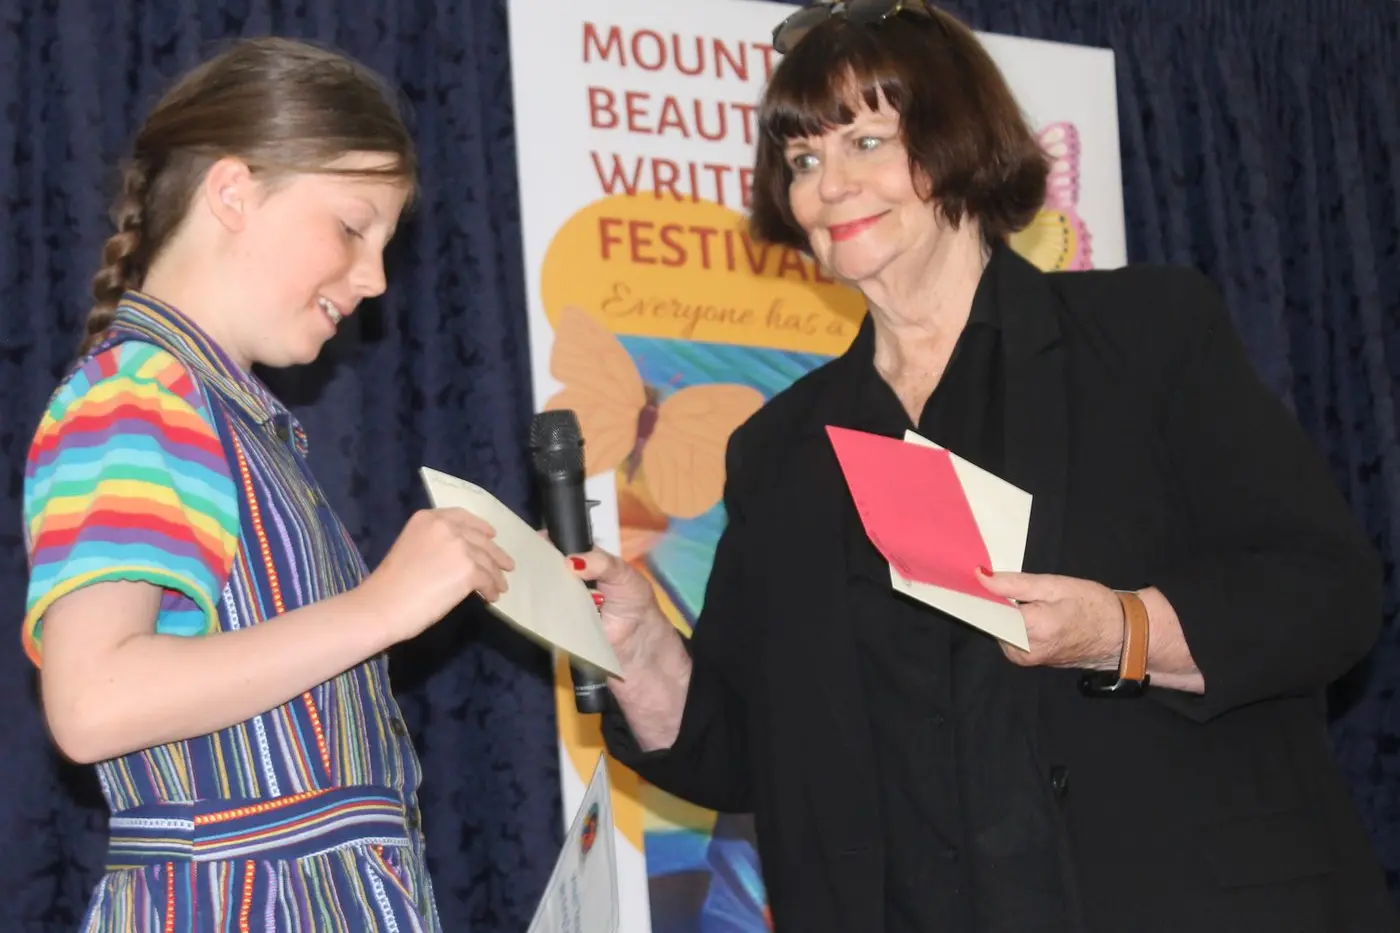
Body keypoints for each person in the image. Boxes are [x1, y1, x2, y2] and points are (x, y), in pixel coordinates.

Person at [568, 3, 1399, 932]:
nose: (829, 186)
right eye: (803, 160)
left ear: (955, 140)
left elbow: (1327, 594)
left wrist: (1121, 629)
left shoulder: (1147, 335)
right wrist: (639, 647)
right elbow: (741, 752)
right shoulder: (782, 451)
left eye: (867, 142)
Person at [21, 37, 514, 931]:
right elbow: (93, 701)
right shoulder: (141, 393)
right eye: (353, 226)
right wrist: (380, 608)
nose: (372, 279)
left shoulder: (234, 422)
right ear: (233, 191)